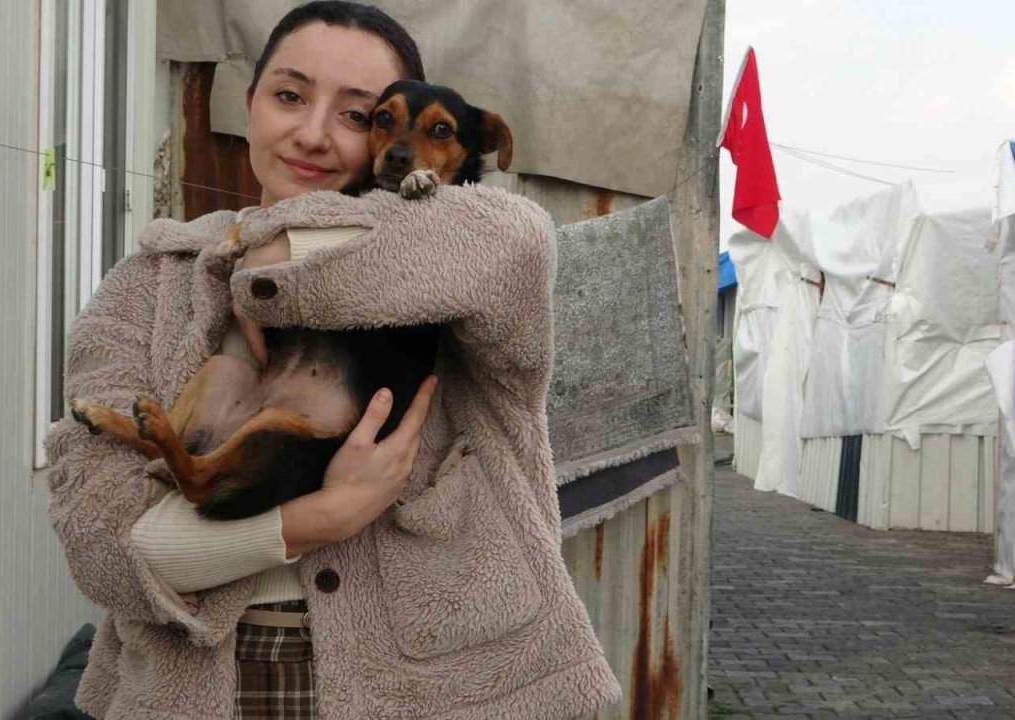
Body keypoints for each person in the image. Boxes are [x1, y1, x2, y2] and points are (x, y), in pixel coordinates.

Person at [45, 3, 620, 719]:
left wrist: (272, 257)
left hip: (434, 691)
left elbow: (514, 239)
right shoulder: (151, 280)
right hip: (198, 687)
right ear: (248, 104)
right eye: (289, 96)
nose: (313, 133)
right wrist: (316, 518)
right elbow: (99, 540)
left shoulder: (478, 250)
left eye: (354, 115)